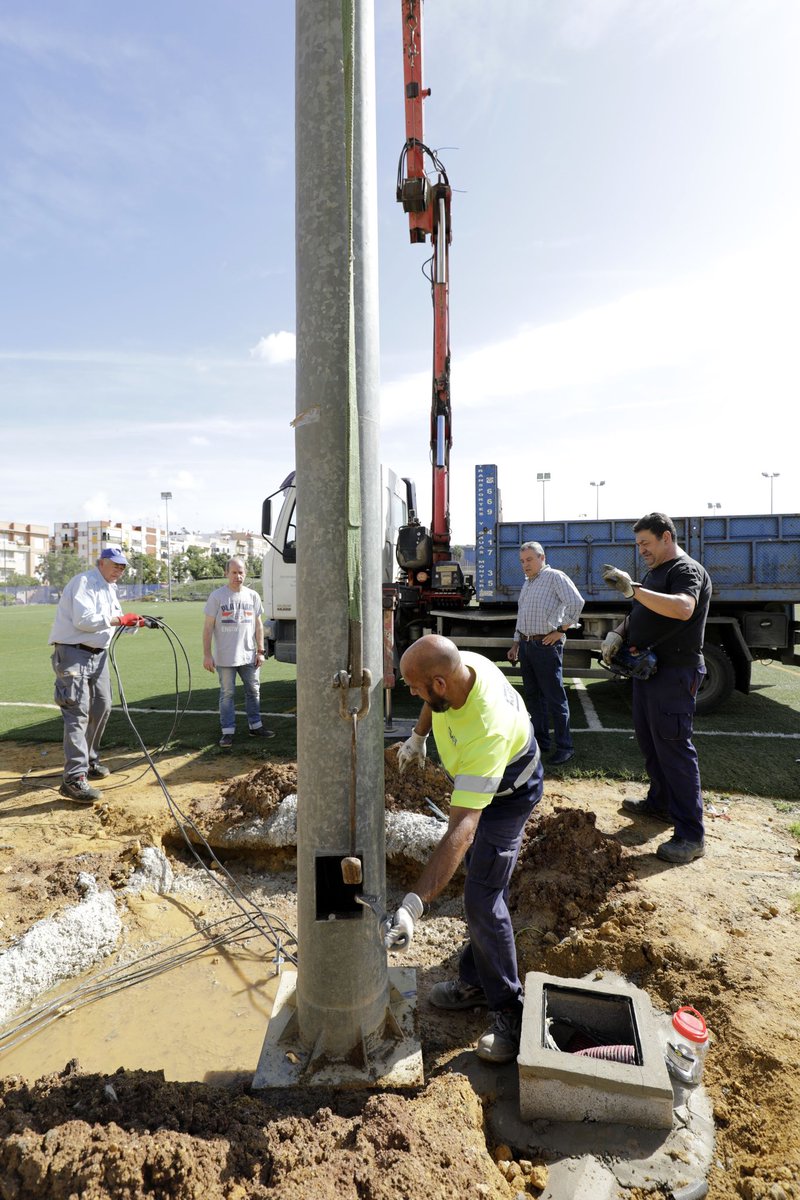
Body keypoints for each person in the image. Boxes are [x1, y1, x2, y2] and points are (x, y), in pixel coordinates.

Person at [390, 635, 543, 1065]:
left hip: (510, 795)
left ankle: (509, 1012)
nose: (414, 694)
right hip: (486, 780)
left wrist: (412, 905)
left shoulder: (485, 730)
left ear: (439, 683)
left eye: (417, 688)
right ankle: (475, 980)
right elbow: (430, 701)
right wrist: (418, 737)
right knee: (477, 879)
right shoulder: (460, 669)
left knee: (483, 898)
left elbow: (462, 829)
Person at [601, 512, 712, 865]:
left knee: (674, 749)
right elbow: (642, 609)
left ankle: (691, 836)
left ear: (666, 537)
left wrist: (633, 588)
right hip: (650, 673)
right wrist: (620, 630)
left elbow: (683, 608)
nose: (642, 551)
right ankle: (661, 804)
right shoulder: (656, 572)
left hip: (674, 673)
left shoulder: (685, 570)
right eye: (638, 545)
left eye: (646, 544)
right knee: (651, 742)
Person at [48, 547, 150, 803]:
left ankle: (90, 761)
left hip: (98, 655)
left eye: (123, 567)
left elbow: (113, 623)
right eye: (115, 565)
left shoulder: (110, 588)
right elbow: (85, 621)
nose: (120, 570)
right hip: (73, 653)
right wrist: (118, 620)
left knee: (102, 706)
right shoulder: (84, 582)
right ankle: (73, 778)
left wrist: (133, 624)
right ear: (101, 562)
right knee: (77, 712)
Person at [505, 541, 584, 766]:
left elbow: (576, 602)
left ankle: (565, 747)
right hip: (528, 646)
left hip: (546, 647)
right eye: (522, 561)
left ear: (542, 558)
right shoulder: (528, 583)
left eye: (529, 560)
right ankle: (541, 742)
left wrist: (560, 631)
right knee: (533, 697)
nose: (525, 565)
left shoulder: (555, 577)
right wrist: (515, 643)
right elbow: (522, 617)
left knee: (554, 698)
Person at [203, 558, 273, 748]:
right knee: (227, 694)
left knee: (253, 690)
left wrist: (260, 651)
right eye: (234, 572)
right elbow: (208, 628)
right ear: (226, 574)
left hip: (249, 655)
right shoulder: (217, 596)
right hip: (225, 657)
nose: (238, 576)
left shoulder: (252, 596)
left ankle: (255, 726)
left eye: (241, 572)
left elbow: (258, 625)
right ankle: (227, 731)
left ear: (246, 573)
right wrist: (207, 654)